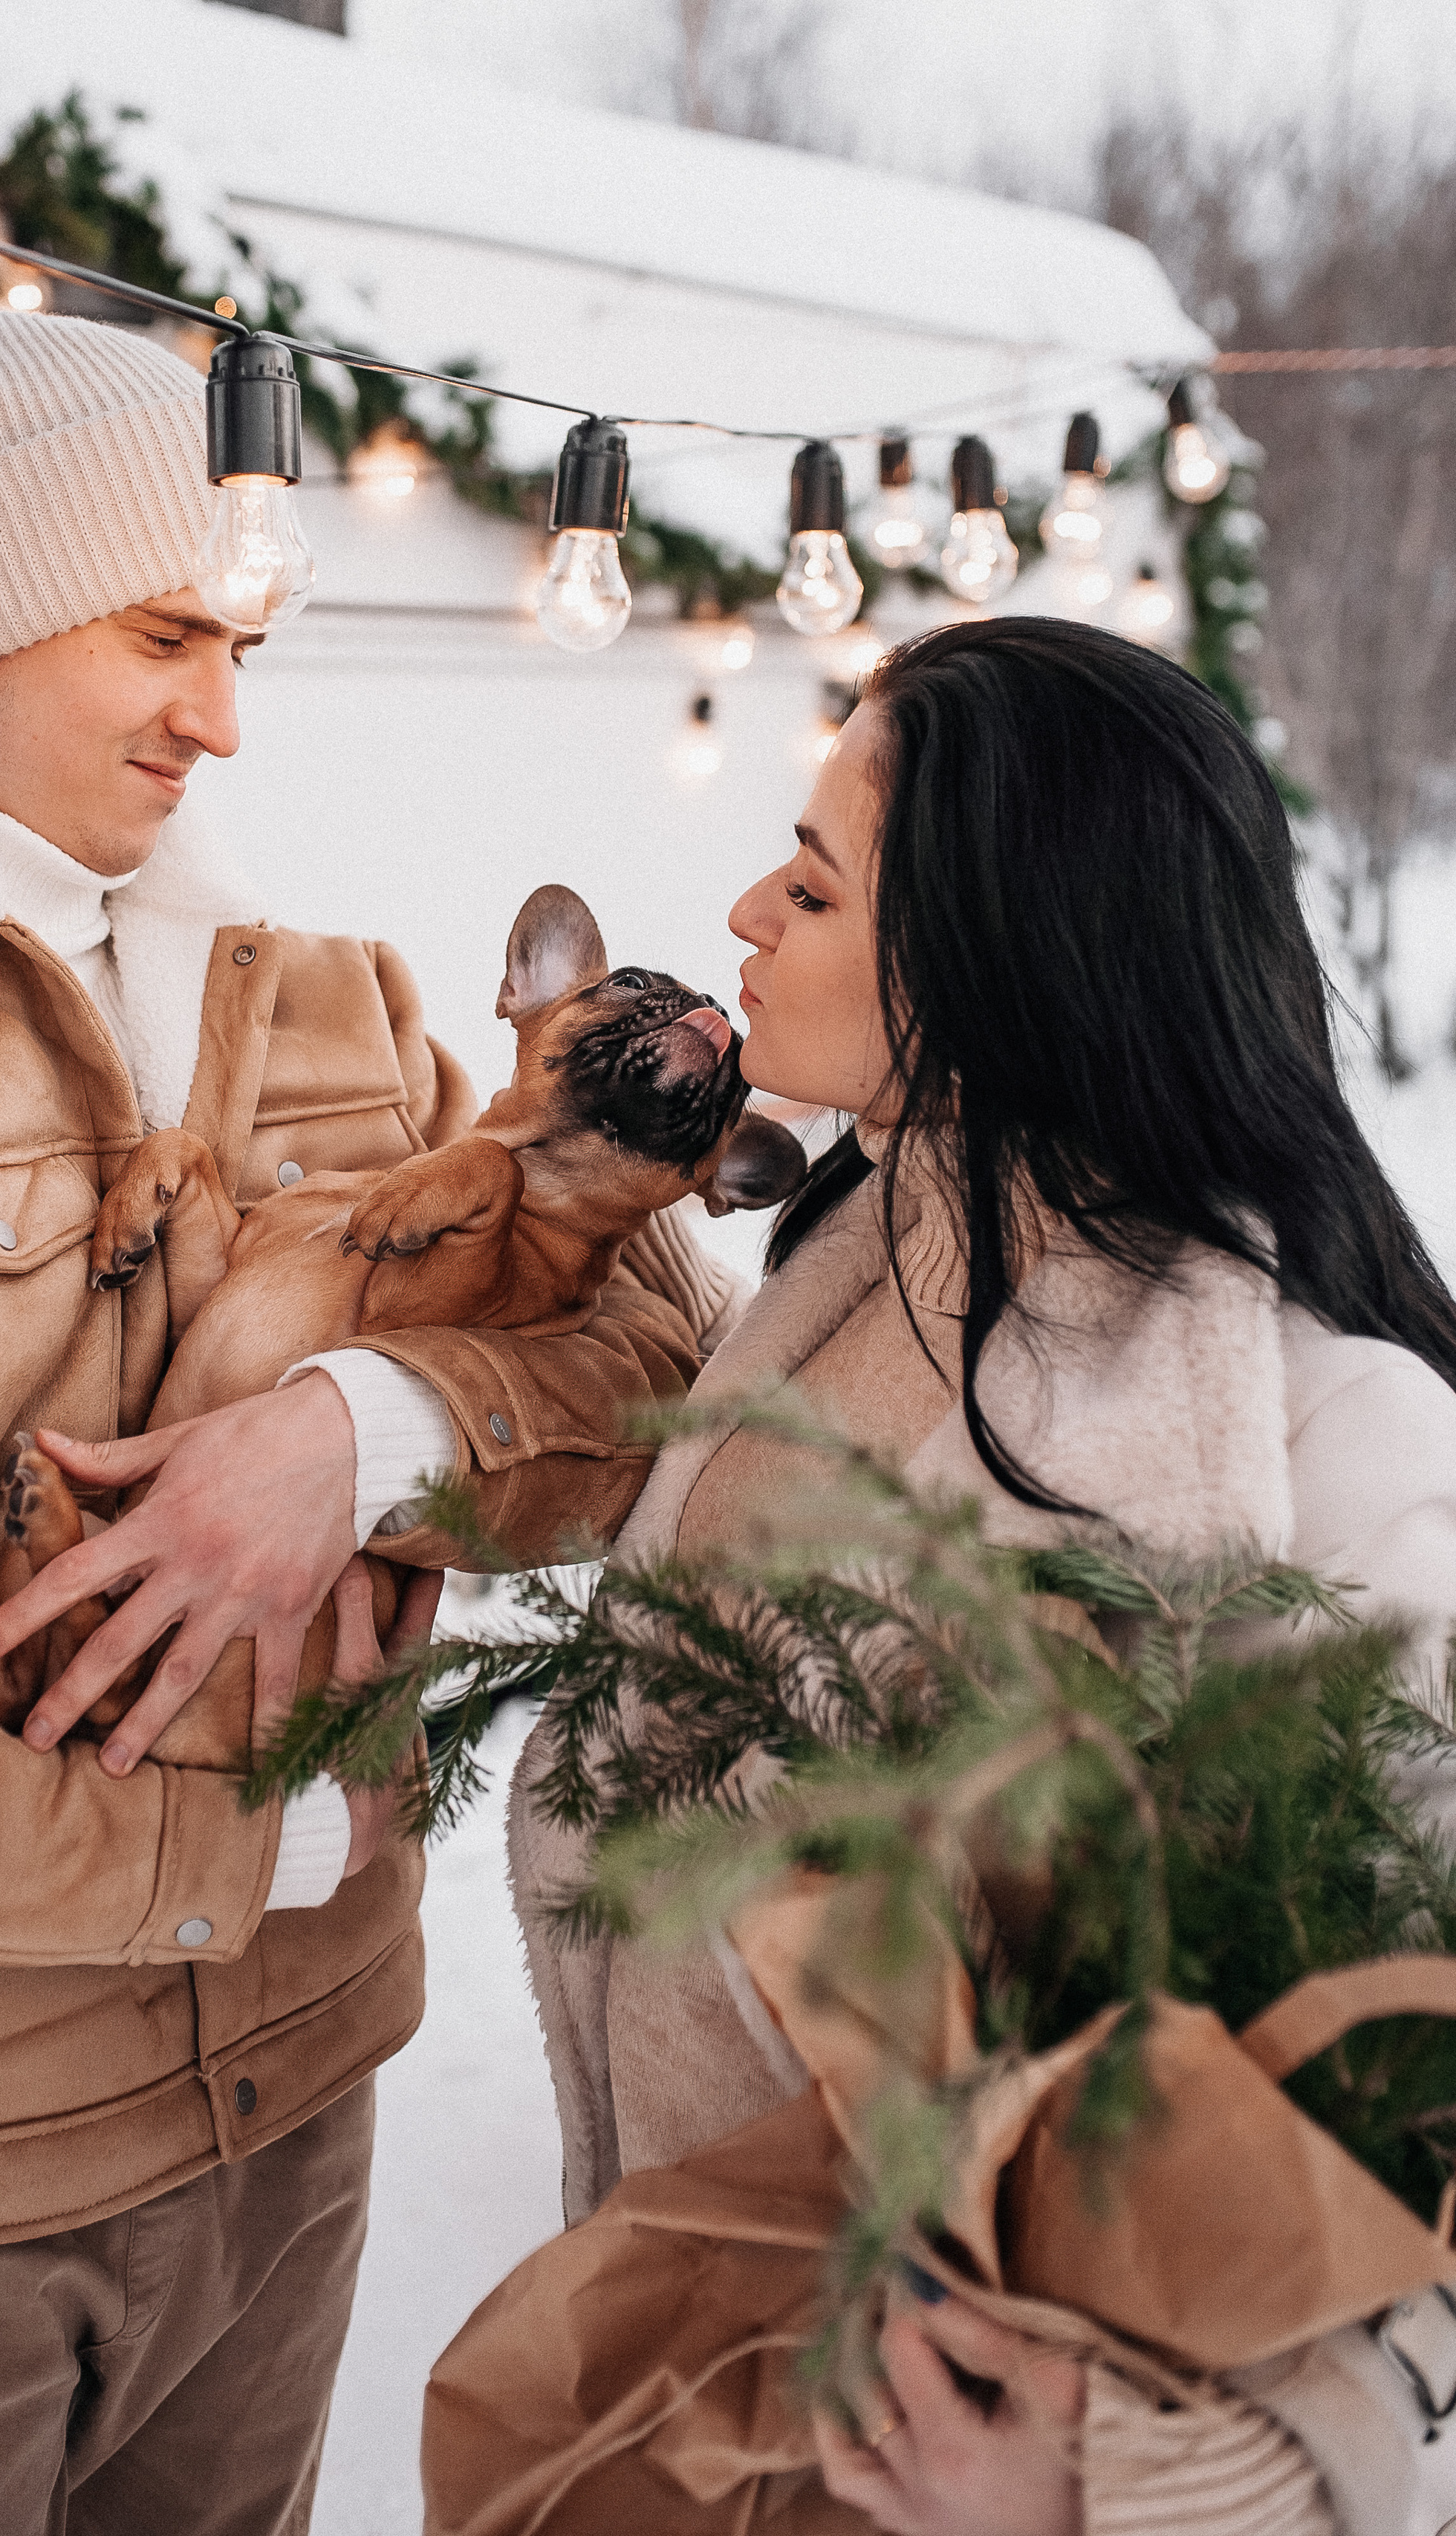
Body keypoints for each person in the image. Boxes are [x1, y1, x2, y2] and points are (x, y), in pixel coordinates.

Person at [0, 306, 729, 2536]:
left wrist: (365, 1426)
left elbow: (665, 1378)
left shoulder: (337, 1001)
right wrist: (248, 1855)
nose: (223, 716)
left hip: (290, 2128)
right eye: (164, 638)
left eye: (237, 641)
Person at [505, 615, 1456, 2534]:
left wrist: (1200, 2477)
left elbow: (1424, 2091)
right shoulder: (815, 1297)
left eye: (818, 879)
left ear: (996, 949)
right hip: (677, 2404)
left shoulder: (1330, 1445)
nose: (748, 913)